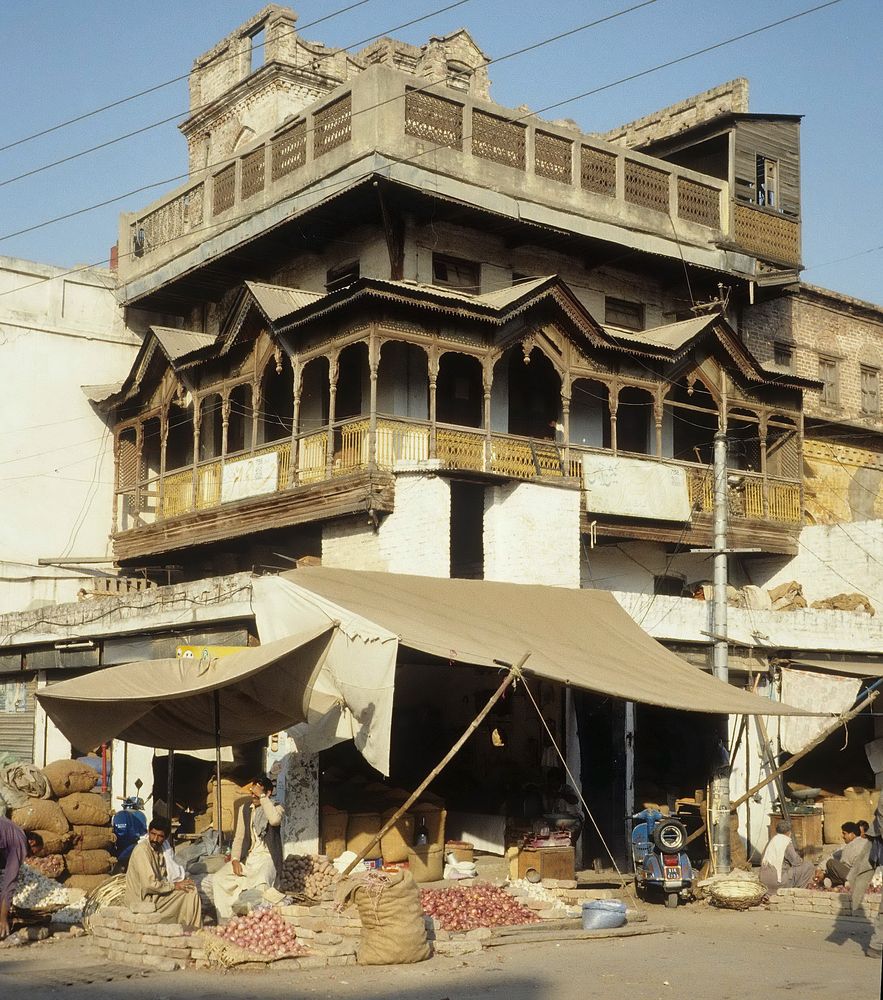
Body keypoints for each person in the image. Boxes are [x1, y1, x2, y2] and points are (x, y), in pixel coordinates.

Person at [212, 774, 284, 920]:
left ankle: (256, 922)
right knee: (219, 878)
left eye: (257, 792)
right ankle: (226, 921)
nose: (253, 795)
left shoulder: (276, 807)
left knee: (261, 884)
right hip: (249, 858)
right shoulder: (245, 809)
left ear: (268, 792)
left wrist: (263, 798)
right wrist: (235, 859)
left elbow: (274, 820)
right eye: (253, 792)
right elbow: (239, 837)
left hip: (267, 858)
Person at [125, 816, 201, 929]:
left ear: (165, 838)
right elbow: (149, 885)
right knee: (190, 892)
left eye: (160, 836)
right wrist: (174, 886)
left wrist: (179, 884)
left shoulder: (159, 850)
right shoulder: (142, 850)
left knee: (190, 888)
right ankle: (190, 929)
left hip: (154, 896)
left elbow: (165, 876)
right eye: (153, 834)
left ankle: (189, 929)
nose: (155, 839)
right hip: (142, 902)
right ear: (148, 832)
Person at [0, 817, 41, 940]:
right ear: (32, 842)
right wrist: (3, 918)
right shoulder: (20, 843)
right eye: (33, 852)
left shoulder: (11, 829)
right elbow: (9, 883)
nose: (29, 857)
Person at [759, 820, 814, 895]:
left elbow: (762, 860)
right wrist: (800, 858)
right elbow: (796, 862)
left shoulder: (771, 841)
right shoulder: (786, 842)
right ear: (788, 832)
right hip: (778, 882)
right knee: (808, 866)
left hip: (764, 881)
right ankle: (799, 893)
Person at [823, 821, 870, 888]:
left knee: (830, 863)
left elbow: (843, 864)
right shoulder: (868, 843)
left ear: (852, 834)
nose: (843, 837)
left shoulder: (849, 846)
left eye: (844, 834)